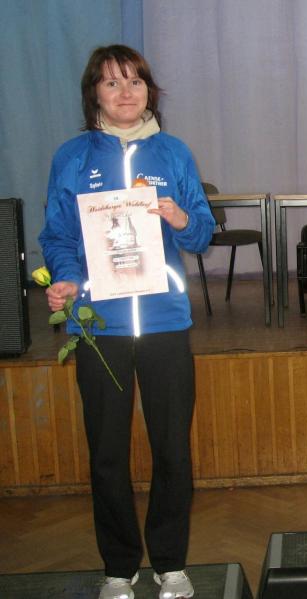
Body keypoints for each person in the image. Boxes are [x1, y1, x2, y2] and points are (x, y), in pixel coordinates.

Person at [39, 45, 214, 599]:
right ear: (94, 92)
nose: (125, 92)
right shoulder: (72, 157)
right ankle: (118, 568)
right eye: (112, 83)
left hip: (165, 323)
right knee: (108, 454)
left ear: (149, 91)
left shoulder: (174, 153)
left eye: (135, 81)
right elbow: (57, 235)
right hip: (100, 328)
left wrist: (181, 218)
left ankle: (171, 564)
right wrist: (68, 281)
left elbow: (202, 232)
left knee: (173, 450)